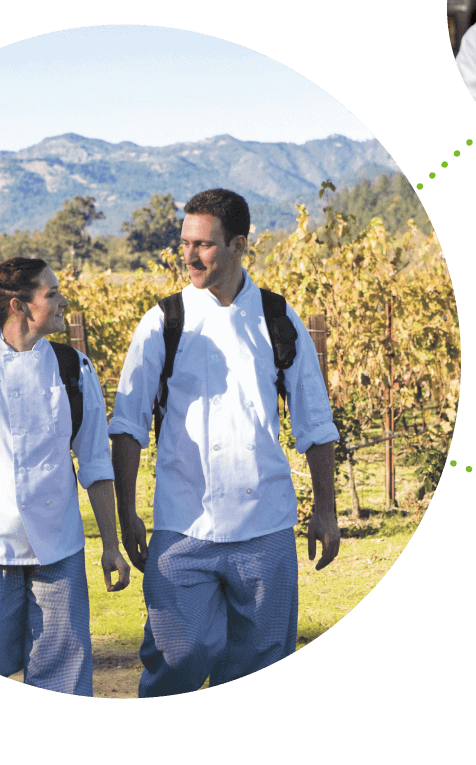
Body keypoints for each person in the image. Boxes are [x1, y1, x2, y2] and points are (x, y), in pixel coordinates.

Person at [108, 188, 339, 696]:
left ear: (239, 244)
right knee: (178, 657)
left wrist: (326, 509)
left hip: (266, 528)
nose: (189, 256)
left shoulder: (278, 319)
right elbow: (127, 425)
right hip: (182, 526)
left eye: (205, 245)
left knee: (262, 663)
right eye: (185, 242)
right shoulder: (163, 322)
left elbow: (315, 424)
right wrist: (126, 512)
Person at [0, 257, 129, 695]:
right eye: (51, 294)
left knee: (66, 681)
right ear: (19, 305)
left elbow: (95, 464)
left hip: (61, 554)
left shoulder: (76, 369)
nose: (62, 301)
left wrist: (111, 545)